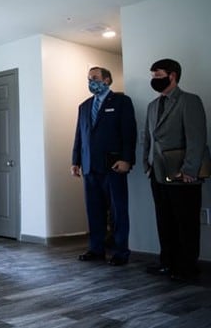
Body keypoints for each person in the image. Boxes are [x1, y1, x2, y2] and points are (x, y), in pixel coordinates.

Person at [143, 59, 208, 282]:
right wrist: (146, 163)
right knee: (164, 220)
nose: (154, 79)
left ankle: (188, 267)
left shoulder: (189, 101)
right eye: (152, 75)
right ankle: (167, 262)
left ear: (172, 75)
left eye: (158, 74)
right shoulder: (152, 106)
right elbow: (148, 137)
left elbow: (197, 137)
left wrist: (190, 169)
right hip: (157, 173)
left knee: (186, 221)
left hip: (182, 173)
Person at [71, 66, 137, 266]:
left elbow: (129, 133)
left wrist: (127, 159)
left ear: (107, 80)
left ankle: (120, 252)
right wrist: (75, 161)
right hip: (90, 167)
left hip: (114, 166)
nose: (91, 81)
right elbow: (79, 136)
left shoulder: (122, 102)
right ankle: (96, 249)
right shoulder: (84, 106)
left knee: (118, 211)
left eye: (95, 78)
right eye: (89, 78)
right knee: (94, 211)